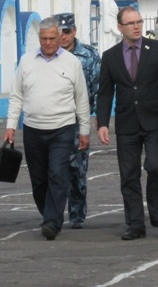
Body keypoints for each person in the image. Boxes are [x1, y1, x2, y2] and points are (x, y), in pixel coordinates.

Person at [3, 17, 91, 241]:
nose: (49, 43)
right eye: (44, 39)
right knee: (39, 179)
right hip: (33, 128)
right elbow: (17, 96)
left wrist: (84, 130)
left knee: (57, 174)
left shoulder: (72, 63)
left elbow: (81, 98)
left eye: (53, 38)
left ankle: (52, 221)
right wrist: (10, 125)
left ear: (60, 36)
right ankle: (49, 213)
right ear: (39, 38)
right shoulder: (26, 61)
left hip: (63, 128)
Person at [96, 6, 158, 240]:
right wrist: (102, 123)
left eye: (139, 22)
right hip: (126, 123)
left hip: (154, 121)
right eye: (131, 23)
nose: (137, 26)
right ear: (120, 27)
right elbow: (105, 93)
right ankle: (135, 224)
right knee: (129, 174)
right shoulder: (110, 56)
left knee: (155, 166)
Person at [53, 12, 100, 229]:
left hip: (79, 119)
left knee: (78, 170)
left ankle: (77, 213)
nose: (63, 37)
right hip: (54, 120)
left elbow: (98, 88)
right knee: (55, 169)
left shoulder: (89, 56)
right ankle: (53, 213)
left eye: (67, 32)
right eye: (59, 32)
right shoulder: (48, 55)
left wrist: (98, 119)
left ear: (75, 31)